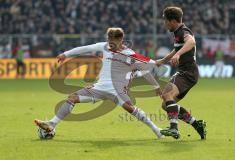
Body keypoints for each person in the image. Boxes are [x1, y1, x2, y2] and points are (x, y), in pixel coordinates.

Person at [34, 27, 165, 139]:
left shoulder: (129, 54)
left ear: (120, 40)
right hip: (99, 88)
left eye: (112, 41)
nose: (110, 43)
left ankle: (157, 130)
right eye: (109, 40)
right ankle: (52, 123)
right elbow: (85, 48)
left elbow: (145, 71)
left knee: (131, 109)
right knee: (72, 98)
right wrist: (65, 54)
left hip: (116, 90)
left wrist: (156, 86)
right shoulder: (104, 47)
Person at [156, 7, 206, 139]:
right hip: (188, 73)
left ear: (172, 21)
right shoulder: (178, 33)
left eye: (166, 21)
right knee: (166, 104)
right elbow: (176, 49)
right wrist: (162, 61)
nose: (165, 24)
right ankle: (197, 124)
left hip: (187, 72)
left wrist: (178, 55)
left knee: (167, 94)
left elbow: (191, 42)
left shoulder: (183, 31)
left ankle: (174, 129)